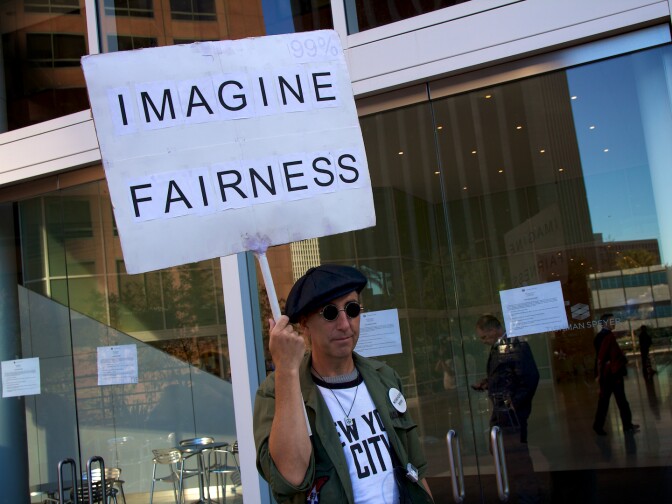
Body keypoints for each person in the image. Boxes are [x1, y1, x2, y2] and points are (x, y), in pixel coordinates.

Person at [253, 264, 434, 504]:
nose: (345, 324)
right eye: (329, 313)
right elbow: (292, 476)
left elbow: (416, 473)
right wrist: (286, 369)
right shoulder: (277, 390)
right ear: (305, 323)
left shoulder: (384, 377)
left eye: (352, 309)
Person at [472, 314, 540, 504]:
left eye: (484, 337)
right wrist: (489, 384)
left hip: (511, 413)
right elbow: (508, 375)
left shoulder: (515, 346)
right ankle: (521, 493)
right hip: (504, 410)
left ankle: (527, 496)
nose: (483, 341)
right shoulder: (502, 348)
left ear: (493, 331)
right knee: (504, 453)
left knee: (515, 456)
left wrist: (512, 405)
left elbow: (529, 378)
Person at [592, 313, 639, 435]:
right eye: (611, 321)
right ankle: (627, 426)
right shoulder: (608, 337)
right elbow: (604, 356)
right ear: (605, 323)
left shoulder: (599, 337)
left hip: (607, 374)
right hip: (612, 374)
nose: (614, 323)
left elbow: (600, 357)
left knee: (605, 401)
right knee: (620, 400)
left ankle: (598, 426)